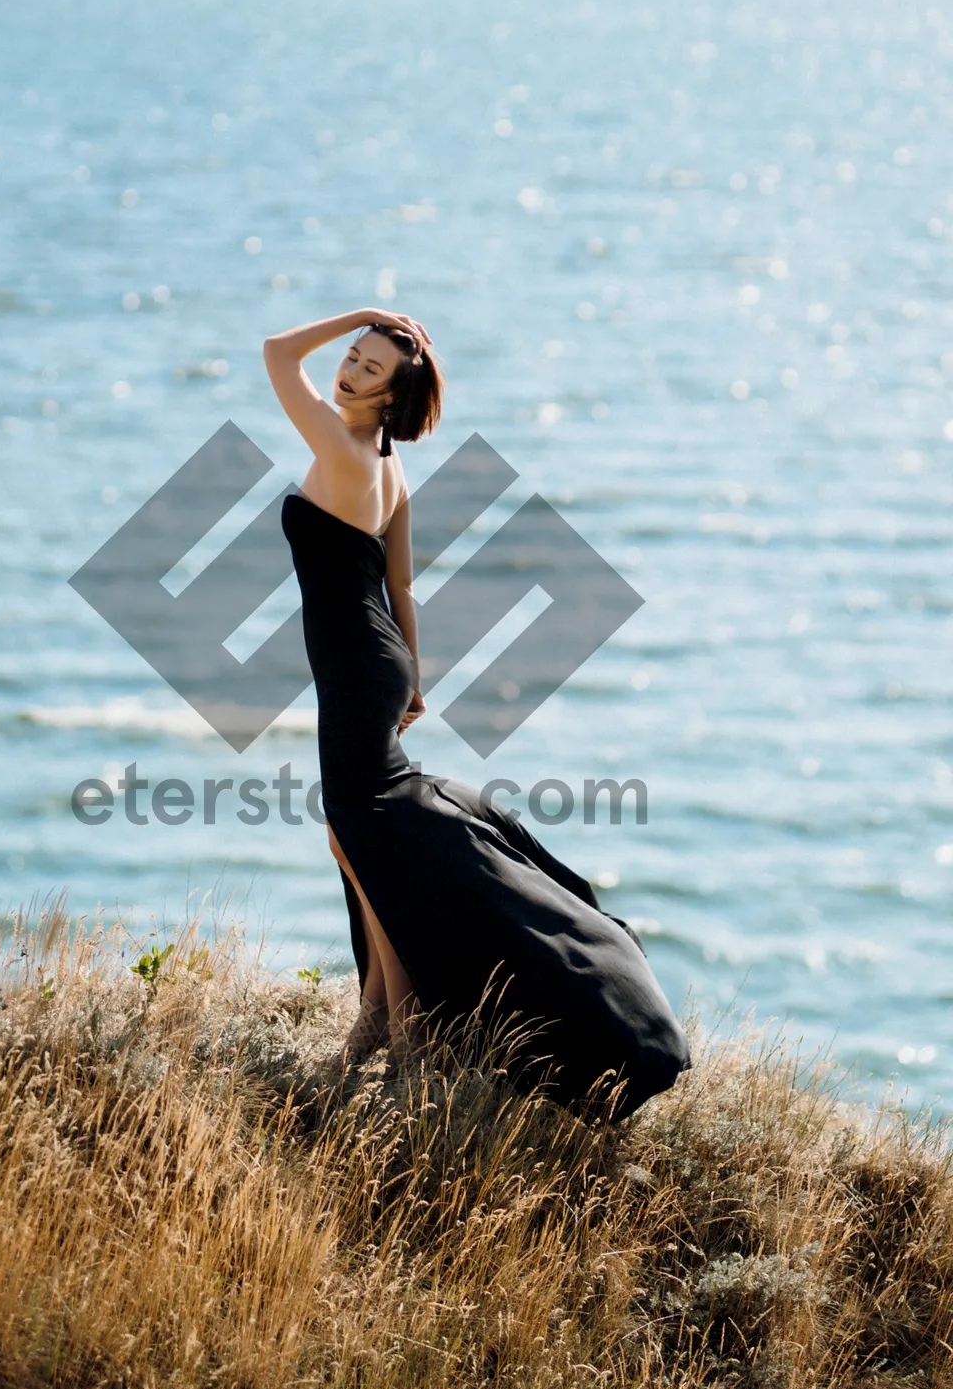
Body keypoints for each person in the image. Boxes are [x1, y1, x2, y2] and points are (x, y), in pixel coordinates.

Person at [264, 310, 691, 1120]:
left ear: (392, 396)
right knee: (357, 837)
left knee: (359, 830)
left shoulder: (341, 448)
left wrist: (360, 312)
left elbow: (277, 353)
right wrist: (415, 677)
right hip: (377, 662)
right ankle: (384, 1015)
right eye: (353, 356)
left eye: (369, 365)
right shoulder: (388, 474)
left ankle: (395, 1024)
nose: (350, 368)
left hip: (356, 670)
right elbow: (403, 590)